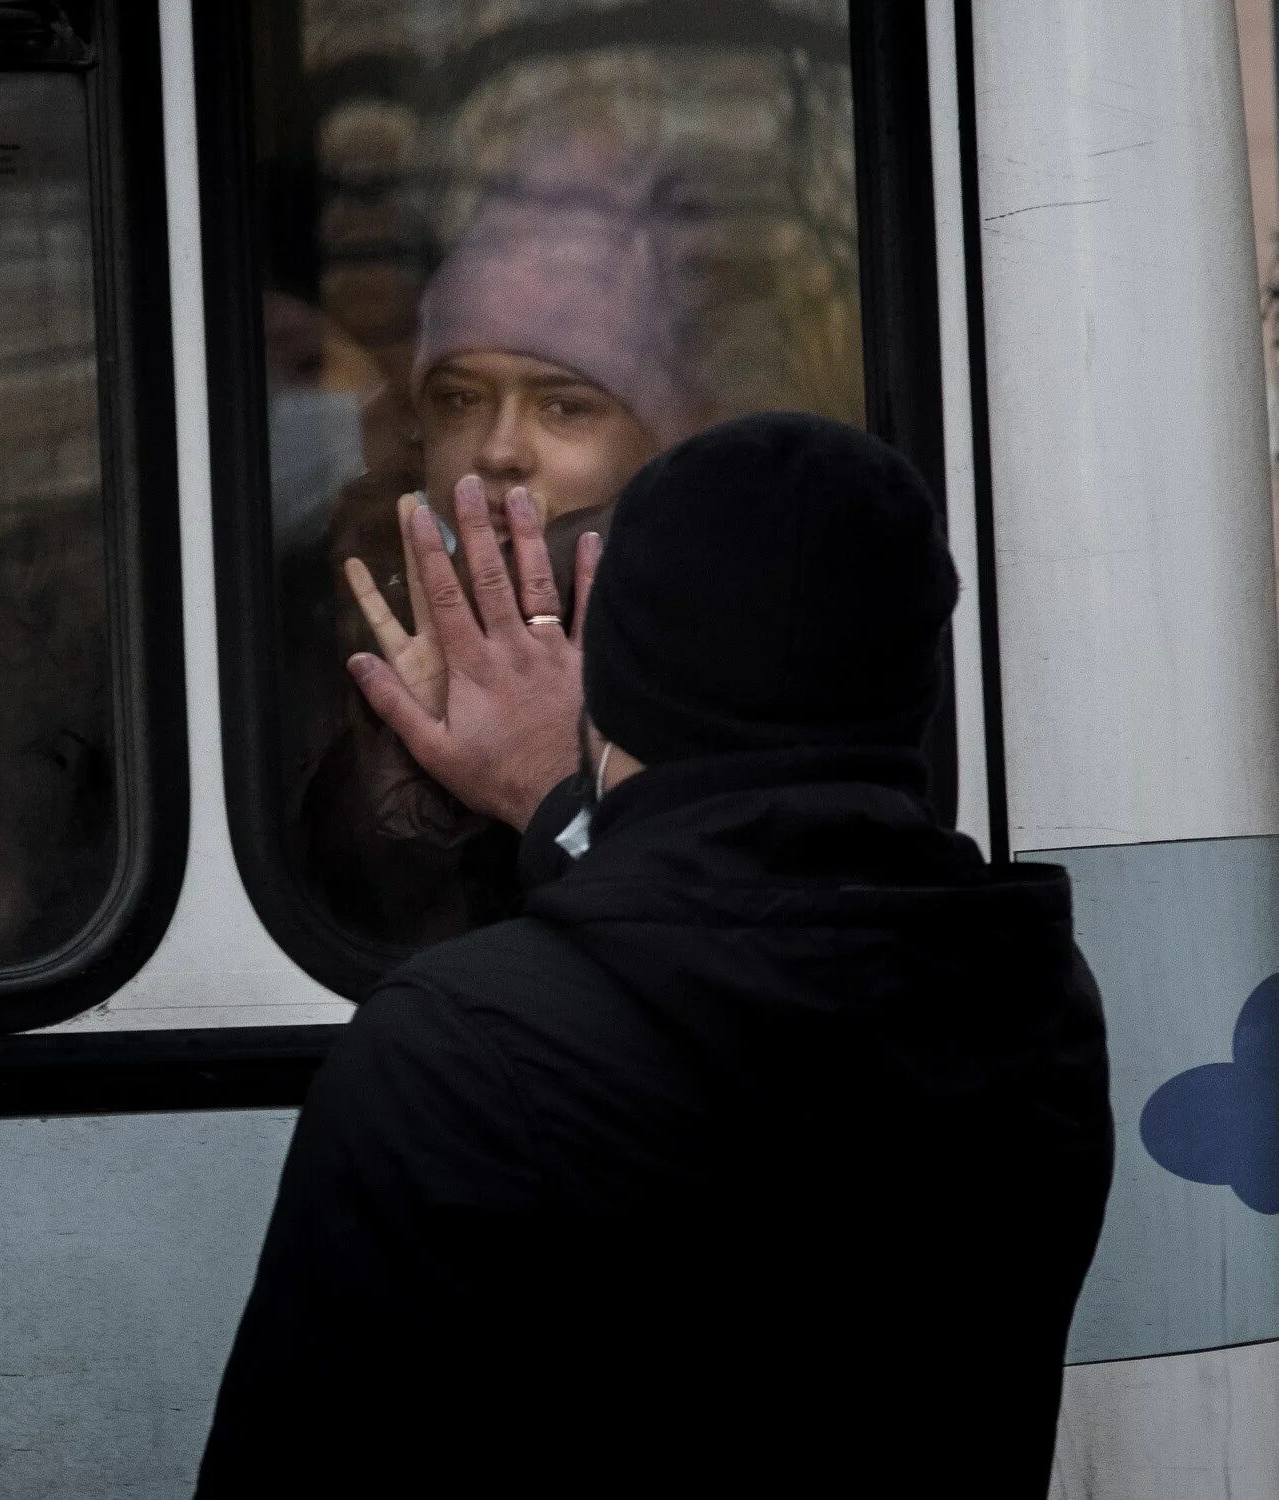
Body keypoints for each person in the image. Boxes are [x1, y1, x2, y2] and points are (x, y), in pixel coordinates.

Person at [199, 414, 1115, 1496]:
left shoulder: (452, 1054)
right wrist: (562, 801)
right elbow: (764, 946)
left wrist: (577, 786)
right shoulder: (1033, 1003)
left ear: (611, 682)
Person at [291, 133, 750, 945]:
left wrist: (549, 780)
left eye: (564, 406)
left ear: (658, 436)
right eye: (461, 401)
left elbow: (719, 949)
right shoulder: (324, 606)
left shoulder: (726, 641)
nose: (500, 449)